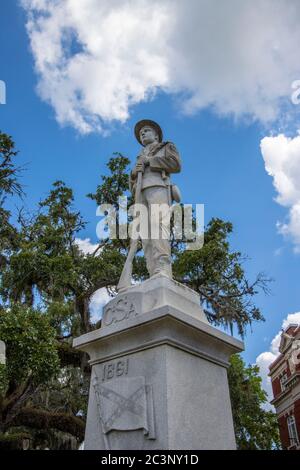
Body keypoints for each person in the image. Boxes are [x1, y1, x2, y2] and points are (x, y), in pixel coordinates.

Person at [129, 119, 181, 278]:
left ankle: (163, 266)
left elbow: (175, 164)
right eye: (140, 133)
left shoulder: (166, 146)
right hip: (140, 193)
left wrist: (150, 161)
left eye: (146, 131)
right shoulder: (139, 156)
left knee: (158, 226)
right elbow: (132, 181)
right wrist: (133, 174)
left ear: (156, 135)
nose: (142, 133)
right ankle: (152, 269)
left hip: (158, 187)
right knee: (145, 233)